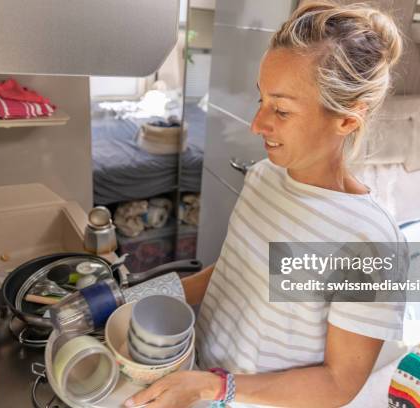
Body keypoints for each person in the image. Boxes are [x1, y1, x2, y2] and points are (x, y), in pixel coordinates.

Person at [125, 1, 405, 407]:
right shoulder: (263, 177)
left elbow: (338, 383)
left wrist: (216, 386)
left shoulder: (370, 241)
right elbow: (235, 272)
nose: (257, 124)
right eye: (261, 100)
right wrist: (134, 302)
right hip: (199, 380)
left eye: (282, 109)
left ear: (347, 119)